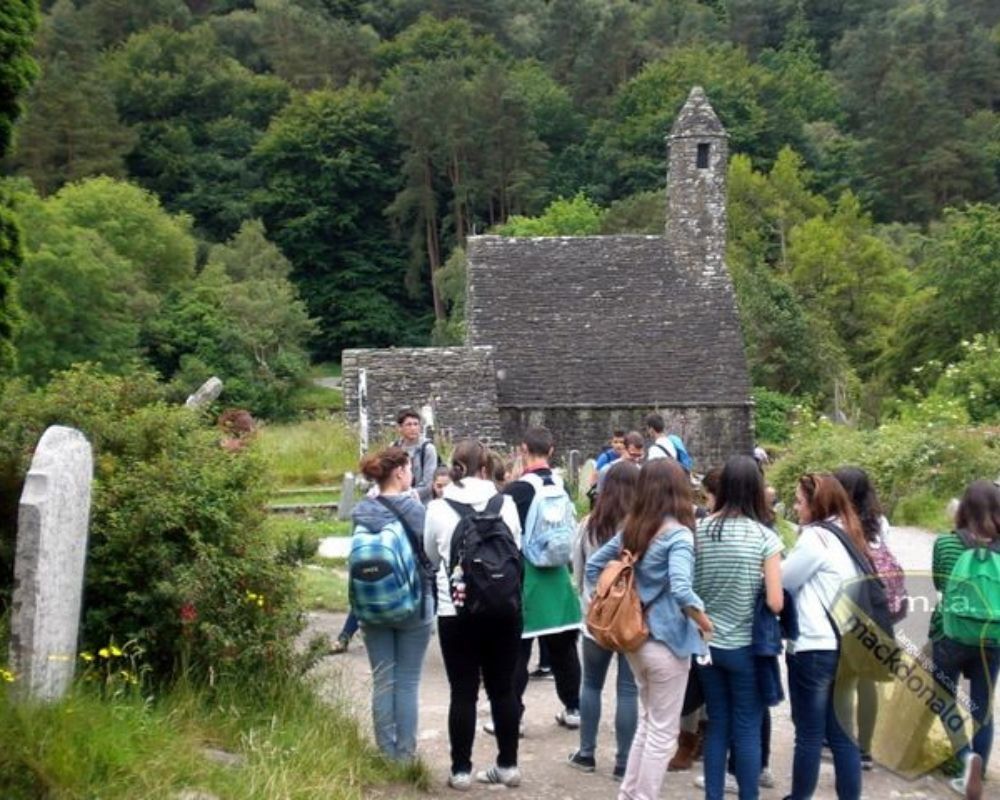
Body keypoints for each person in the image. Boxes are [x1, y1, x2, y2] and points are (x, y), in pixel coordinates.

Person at [586, 458, 712, 800]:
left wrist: (613, 598)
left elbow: (595, 565)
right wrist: (705, 622)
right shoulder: (679, 535)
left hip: (635, 641)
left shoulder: (633, 527)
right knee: (663, 731)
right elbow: (683, 590)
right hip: (667, 641)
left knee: (648, 722)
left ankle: (629, 794)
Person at [423, 439, 524, 789]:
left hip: (456, 608)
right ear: (486, 467)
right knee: (503, 688)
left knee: (463, 691)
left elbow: (432, 558)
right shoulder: (506, 503)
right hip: (504, 608)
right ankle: (508, 765)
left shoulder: (439, 507)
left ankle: (461, 770)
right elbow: (517, 550)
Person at [693, 455, 784, 800]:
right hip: (747, 648)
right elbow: (775, 602)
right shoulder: (765, 537)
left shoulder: (698, 532)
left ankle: (713, 795)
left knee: (718, 725)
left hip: (707, 644)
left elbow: (686, 589)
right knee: (747, 728)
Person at [782, 473, 867, 800]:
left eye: (799, 501)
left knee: (809, 734)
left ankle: (800, 797)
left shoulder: (816, 538)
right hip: (845, 643)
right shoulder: (849, 533)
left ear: (815, 503)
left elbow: (786, 580)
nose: (795, 507)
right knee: (842, 734)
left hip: (815, 646)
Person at [351, 446, 434, 762]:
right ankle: (405, 756)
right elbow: (432, 556)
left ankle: (385, 753)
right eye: (409, 468)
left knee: (383, 680)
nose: (412, 474)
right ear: (399, 472)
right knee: (408, 682)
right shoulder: (415, 511)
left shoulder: (362, 511)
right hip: (413, 601)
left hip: (371, 604)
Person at [503, 427, 583, 732]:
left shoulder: (516, 491)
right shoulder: (563, 486)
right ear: (551, 450)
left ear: (523, 449)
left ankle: (513, 716)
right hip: (559, 576)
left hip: (527, 577)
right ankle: (573, 707)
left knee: (517, 653)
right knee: (564, 649)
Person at [569, 460, 641, 779]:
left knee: (591, 684)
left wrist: (589, 605)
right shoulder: (641, 529)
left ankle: (586, 753)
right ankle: (623, 762)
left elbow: (579, 571)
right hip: (629, 620)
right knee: (628, 691)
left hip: (595, 618)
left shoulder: (588, 525)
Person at [928, 480, 1000, 796]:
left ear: (962, 509)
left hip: (950, 634)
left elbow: (939, 584)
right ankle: (978, 772)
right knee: (982, 707)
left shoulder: (946, 544)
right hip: (993, 636)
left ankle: (964, 757)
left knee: (943, 696)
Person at [832, 466, 891, 771]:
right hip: (877, 606)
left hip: (848, 606)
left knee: (844, 680)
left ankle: (845, 747)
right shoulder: (880, 522)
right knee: (868, 679)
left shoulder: (837, 523)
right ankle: (866, 750)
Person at [394, 408, 438, 504]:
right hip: (397, 502)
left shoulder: (428, 449)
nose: (413, 428)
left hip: (422, 503)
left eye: (416, 424)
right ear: (400, 428)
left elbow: (428, 483)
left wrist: (408, 496)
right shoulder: (394, 448)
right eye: (409, 425)